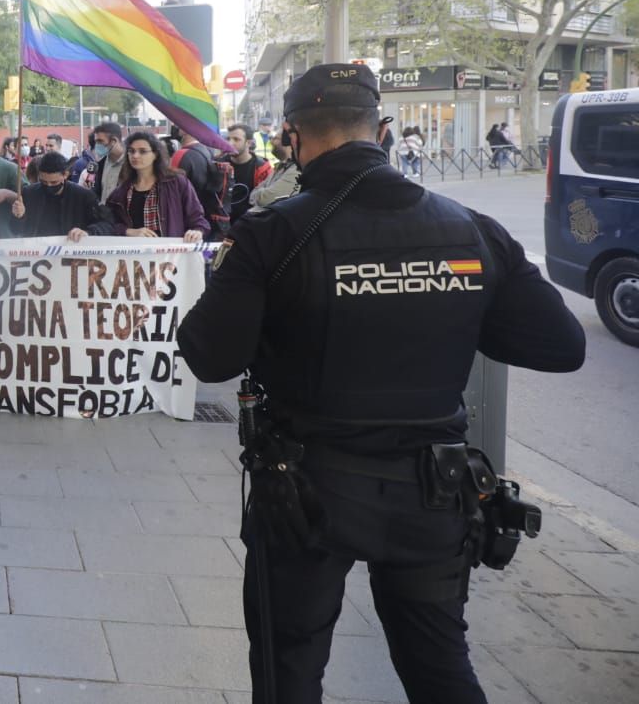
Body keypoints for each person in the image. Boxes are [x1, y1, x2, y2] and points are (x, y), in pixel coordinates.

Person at [176, 63, 585, 704]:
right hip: (435, 492)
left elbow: (208, 356)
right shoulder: (471, 229)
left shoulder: (273, 233)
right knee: (441, 672)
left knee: (289, 675)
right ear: (384, 131)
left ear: (290, 136)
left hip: (306, 494)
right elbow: (561, 345)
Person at [104, 130, 208, 241]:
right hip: (134, 256)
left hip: (170, 255)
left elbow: (198, 219)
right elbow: (107, 225)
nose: (135, 155)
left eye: (142, 151)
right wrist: (128, 231)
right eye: (131, 151)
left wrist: (197, 231)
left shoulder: (177, 183)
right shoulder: (121, 192)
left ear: (155, 154)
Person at [11, 150, 112, 240]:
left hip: (71, 254)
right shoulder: (29, 193)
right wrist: (20, 216)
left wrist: (87, 232)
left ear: (65, 175)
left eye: (54, 182)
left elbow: (107, 224)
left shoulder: (83, 196)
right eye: (44, 182)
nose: (49, 186)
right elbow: (15, 231)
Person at [169, 125, 231, 240]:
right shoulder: (207, 150)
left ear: (184, 129)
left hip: (186, 223)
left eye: (179, 124)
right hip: (205, 219)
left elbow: (170, 192)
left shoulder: (181, 154)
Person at [222, 124, 274, 223]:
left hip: (249, 225)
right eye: (228, 138)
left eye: (236, 139)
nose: (230, 143)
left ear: (248, 143)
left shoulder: (262, 168)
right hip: (220, 226)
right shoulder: (218, 164)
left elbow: (266, 201)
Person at [250, 119, 302, 210]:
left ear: (288, 142)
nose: (271, 142)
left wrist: (261, 192)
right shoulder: (280, 167)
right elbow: (253, 195)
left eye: (276, 139)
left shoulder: (295, 169)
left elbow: (264, 199)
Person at [81, 122, 125, 200]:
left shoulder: (132, 163)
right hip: (104, 210)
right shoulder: (100, 165)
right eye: (96, 142)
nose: (97, 145)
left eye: (100, 141)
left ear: (114, 141)